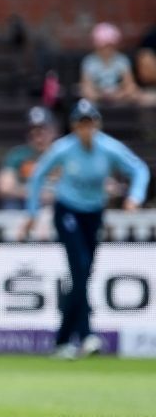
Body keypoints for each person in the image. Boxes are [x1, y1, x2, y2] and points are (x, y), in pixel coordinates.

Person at [22, 99, 150, 360]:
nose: (85, 130)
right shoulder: (64, 149)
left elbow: (139, 169)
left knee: (83, 275)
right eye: (81, 125)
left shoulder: (108, 148)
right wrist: (33, 213)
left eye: (89, 124)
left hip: (93, 213)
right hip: (67, 210)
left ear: (97, 124)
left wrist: (135, 196)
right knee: (79, 267)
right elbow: (38, 176)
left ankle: (62, 340)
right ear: (73, 127)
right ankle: (87, 334)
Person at [0, 106, 59, 209]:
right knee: (10, 204)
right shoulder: (18, 154)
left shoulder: (62, 153)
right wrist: (35, 194)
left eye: (43, 130)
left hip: (57, 204)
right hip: (24, 205)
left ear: (53, 131)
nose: (39, 136)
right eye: (34, 131)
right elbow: (4, 187)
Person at [79, 23, 140, 105]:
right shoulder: (90, 61)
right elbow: (86, 85)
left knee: (134, 93)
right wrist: (97, 95)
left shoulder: (121, 60)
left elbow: (129, 83)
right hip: (98, 96)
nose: (107, 50)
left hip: (120, 95)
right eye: (103, 47)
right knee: (85, 93)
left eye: (109, 46)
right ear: (96, 46)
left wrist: (120, 94)